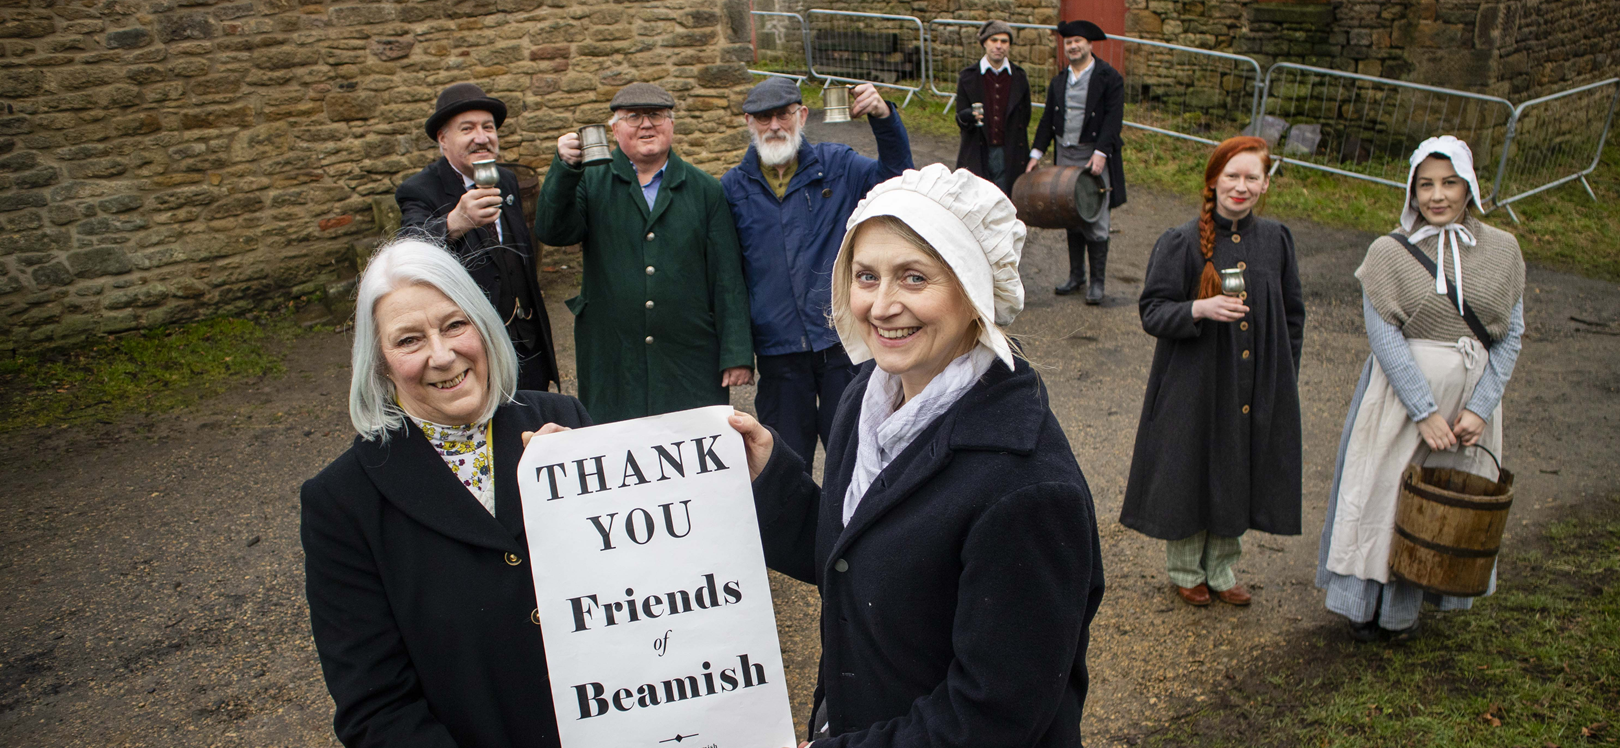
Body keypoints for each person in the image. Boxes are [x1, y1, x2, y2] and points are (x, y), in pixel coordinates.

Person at [728, 164, 1105, 747]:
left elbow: (991, 717)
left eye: (913, 278)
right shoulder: (866, 400)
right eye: (866, 276)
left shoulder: (1027, 488)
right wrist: (769, 475)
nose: (881, 306)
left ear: (973, 290)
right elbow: (859, 557)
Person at [300, 238, 590, 748]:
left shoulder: (562, 420)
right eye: (408, 340)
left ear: (483, 325)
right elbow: (377, 708)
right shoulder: (343, 503)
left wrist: (587, 494)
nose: (441, 354)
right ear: (381, 363)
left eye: (455, 325)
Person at [1317, 135, 1525, 641]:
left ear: (1469, 187)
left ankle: (1405, 612)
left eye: (1449, 183)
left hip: (1468, 407)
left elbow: (1510, 332)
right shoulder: (1389, 252)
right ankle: (1364, 608)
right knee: (1381, 495)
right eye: (1426, 184)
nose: (1437, 195)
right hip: (1400, 401)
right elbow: (1383, 335)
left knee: (1439, 506)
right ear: (1411, 190)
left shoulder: (1502, 251)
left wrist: (1480, 406)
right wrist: (1424, 410)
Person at [1120, 136, 1304, 608]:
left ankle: (1222, 568)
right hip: (1194, 384)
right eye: (1232, 177)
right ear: (1214, 180)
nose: (1241, 187)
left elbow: (1292, 317)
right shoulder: (1180, 242)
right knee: (1192, 469)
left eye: (1252, 178)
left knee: (1237, 469)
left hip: (1252, 384)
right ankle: (1185, 568)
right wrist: (1198, 308)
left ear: (1265, 184)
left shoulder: (1276, 241)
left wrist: (1282, 376)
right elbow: (1152, 312)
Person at [722, 77, 913, 470]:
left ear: (802, 115)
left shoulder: (837, 166)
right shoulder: (732, 188)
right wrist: (737, 350)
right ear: (748, 123)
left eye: (783, 114)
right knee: (784, 461)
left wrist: (883, 118)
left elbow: (898, 178)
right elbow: (727, 276)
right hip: (778, 352)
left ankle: (856, 530)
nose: (774, 125)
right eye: (763, 118)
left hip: (841, 342)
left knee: (860, 453)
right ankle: (796, 531)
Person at [535, 82, 754, 423]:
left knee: (693, 449)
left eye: (656, 115)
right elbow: (554, 231)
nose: (646, 124)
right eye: (633, 117)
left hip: (689, 354)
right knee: (619, 451)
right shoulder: (590, 181)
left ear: (671, 124)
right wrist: (563, 167)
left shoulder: (705, 189)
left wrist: (737, 353)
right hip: (613, 353)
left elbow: (727, 276)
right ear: (614, 129)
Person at [396, 82, 559, 391]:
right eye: (467, 129)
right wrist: (455, 222)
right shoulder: (420, 190)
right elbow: (408, 250)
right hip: (472, 352)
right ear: (443, 139)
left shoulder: (507, 179)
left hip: (527, 343)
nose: (482, 138)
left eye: (488, 127)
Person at [1028, 19, 1127, 304]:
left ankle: (1097, 283)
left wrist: (1101, 152)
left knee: (1095, 216)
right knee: (1070, 214)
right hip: (1065, 154)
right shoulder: (1059, 81)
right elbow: (1048, 120)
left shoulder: (1109, 77)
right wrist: (1036, 154)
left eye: (1077, 41)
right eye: (1068, 42)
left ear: (1089, 44)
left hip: (1094, 155)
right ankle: (1076, 276)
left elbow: (1113, 120)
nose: (1072, 46)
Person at [953, 19, 1031, 196]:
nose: (999, 46)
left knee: (1006, 203)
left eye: (1004, 41)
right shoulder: (968, 76)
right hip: (977, 149)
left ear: (1009, 45)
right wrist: (969, 116)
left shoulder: (1019, 76)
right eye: (994, 40)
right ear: (984, 43)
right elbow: (960, 116)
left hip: (1009, 151)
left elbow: (1025, 117)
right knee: (976, 202)